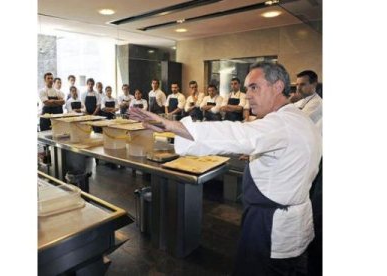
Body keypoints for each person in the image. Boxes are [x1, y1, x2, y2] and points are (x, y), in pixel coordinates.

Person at [129, 61, 322, 276]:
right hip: (294, 224)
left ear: (277, 87)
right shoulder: (297, 118)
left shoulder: (280, 123)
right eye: (247, 88)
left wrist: (173, 126)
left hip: (270, 228)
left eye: (254, 87)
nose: (248, 95)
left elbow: (236, 133)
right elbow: (286, 155)